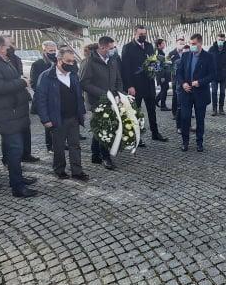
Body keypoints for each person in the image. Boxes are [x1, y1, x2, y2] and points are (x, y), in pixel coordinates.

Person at [0, 36, 39, 197]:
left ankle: (18, 178)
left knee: (15, 149)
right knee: (15, 149)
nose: (12, 47)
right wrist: (22, 83)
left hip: (14, 112)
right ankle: (17, 186)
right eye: (9, 45)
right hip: (6, 113)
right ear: (0, 47)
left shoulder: (3, 60)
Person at [35, 47, 89, 181]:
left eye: (73, 61)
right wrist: (45, 119)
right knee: (58, 146)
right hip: (57, 118)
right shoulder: (46, 76)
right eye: (68, 61)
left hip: (73, 117)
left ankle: (77, 171)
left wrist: (81, 111)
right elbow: (40, 99)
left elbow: (78, 95)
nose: (71, 64)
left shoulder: (73, 75)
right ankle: (59, 169)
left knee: (75, 145)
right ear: (59, 60)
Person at [80, 37, 124, 170]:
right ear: (102, 47)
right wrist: (104, 94)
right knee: (105, 127)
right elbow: (84, 83)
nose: (113, 50)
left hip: (112, 99)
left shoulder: (113, 60)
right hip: (97, 101)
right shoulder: (89, 62)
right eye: (111, 48)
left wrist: (119, 94)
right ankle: (106, 157)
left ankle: (95, 155)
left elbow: (118, 78)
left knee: (100, 127)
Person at [120, 25, 168, 145]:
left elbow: (154, 61)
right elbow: (125, 69)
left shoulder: (149, 46)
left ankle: (155, 133)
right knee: (136, 113)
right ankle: (136, 137)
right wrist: (130, 86)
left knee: (152, 111)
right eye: (140, 34)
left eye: (144, 34)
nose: (143, 36)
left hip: (149, 84)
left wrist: (156, 67)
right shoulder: (128, 48)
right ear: (134, 34)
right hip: (135, 87)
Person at [175, 34, 215, 152]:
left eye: (194, 44)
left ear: (200, 43)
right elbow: (179, 73)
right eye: (190, 43)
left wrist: (200, 82)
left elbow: (213, 75)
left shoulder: (208, 57)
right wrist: (183, 84)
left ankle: (199, 142)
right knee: (185, 118)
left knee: (200, 119)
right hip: (186, 92)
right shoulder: (186, 55)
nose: (191, 46)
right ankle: (185, 142)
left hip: (200, 93)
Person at [3, 36, 39, 164]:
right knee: (11, 134)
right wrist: (21, 82)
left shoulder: (16, 59)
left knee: (25, 129)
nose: (14, 45)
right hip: (10, 102)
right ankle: (9, 159)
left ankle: (26, 153)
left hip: (21, 98)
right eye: (11, 43)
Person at [31, 41, 58, 153]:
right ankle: (50, 145)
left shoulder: (58, 62)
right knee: (49, 123)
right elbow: (34, 83)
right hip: (46, 99)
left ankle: (59, 142)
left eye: (54, 50)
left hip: (58, 97)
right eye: (50, 51)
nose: (53, 53)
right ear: (44, 51)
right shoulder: (38, 64)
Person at [208, 33, 226, 116]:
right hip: (214, 75)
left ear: (224, 40)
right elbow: (208, 60)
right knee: (214, 92)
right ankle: (214, 109)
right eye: (219, 40)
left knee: (222, 92)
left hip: (224, 74)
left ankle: (221, 108)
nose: (220, 41)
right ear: (216, 39)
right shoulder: (212, 49)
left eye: (222, 40)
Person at [168, 38, 185, 120]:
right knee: (175, 96)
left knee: (185, 96)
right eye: (180, 43)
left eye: (183, 43)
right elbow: (167, 66)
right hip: (175, 79)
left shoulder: (187, 52)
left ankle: (185, 111)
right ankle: (175, 113)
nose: (182, 45)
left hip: (185, 79)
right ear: (176, 44)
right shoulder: (172, 54)